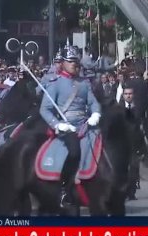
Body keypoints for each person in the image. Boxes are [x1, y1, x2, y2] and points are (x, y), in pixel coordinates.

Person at [39, 46, 101, 206]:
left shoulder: (84, 83)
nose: (75, 64)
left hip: (85, 124)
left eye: (76, 61)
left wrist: (96, 114)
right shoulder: (56, 83)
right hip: (66, 126)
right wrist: (58, 124)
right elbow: (44, 109)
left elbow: (93, 102)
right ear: (64, 63)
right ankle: (64, 188)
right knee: (74, 151)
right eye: (71, 61)